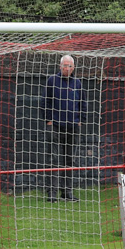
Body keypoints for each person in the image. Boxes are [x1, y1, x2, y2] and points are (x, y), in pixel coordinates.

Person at [43, 54, 83, 202]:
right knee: (53, 159)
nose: (67, 68)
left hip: (73, 127)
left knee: (70, 160)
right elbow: (45, 101)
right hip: (55, 126)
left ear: (73, 68)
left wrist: (80, 121)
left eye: (70, 66)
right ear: (60, 66)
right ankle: (52, 193)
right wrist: (48, 121)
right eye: (65, 65)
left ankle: (67, 192)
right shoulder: (52, 80)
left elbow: (82, 103)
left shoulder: (77, 83)